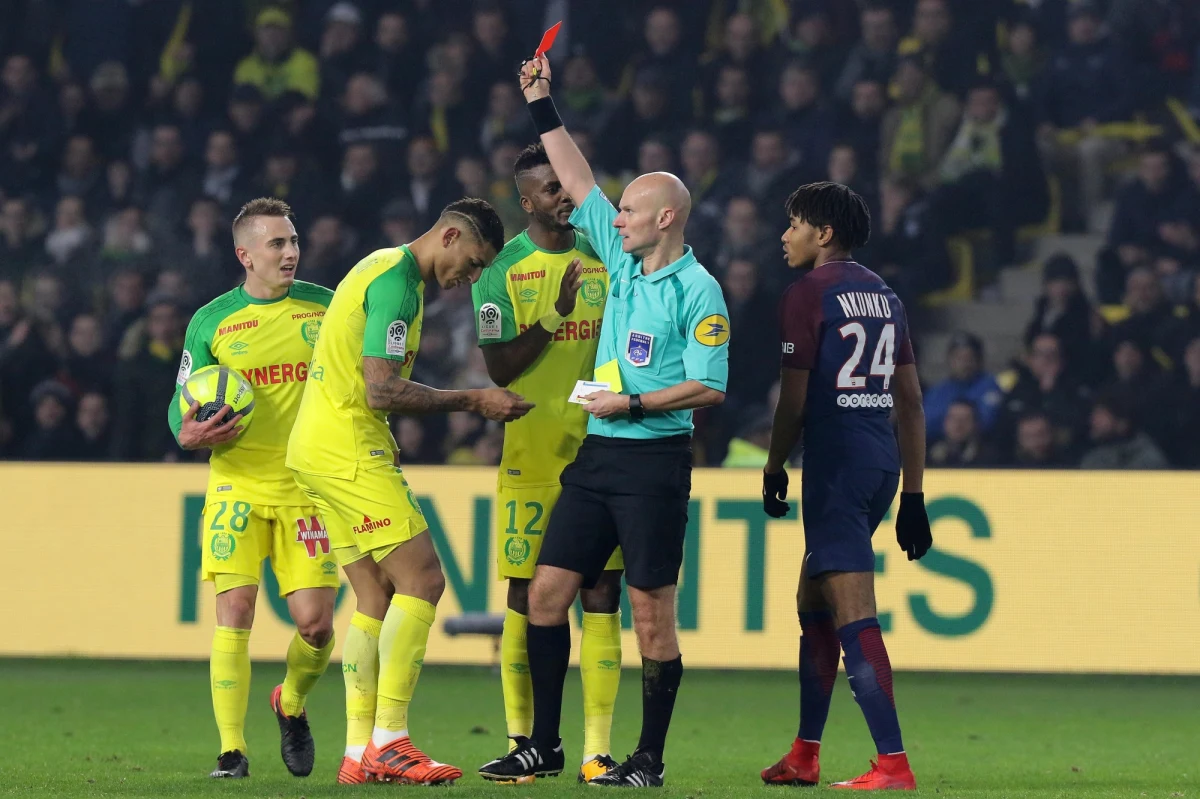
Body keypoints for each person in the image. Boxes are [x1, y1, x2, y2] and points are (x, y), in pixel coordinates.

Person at [479, 54, 730, 788]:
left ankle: (648, 758)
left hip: (654, 461)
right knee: (545, 596)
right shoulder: (620, 262)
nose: (611, 218)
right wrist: (541, 102)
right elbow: (577, 175)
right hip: (597, 457)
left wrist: (634, 404)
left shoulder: (698, 290)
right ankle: (544, 744)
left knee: (649, 615)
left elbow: (709, 387)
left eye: (627, 212)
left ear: (665, 219)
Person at [285, 197, 529, 785]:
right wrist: (474, 399)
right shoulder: (398, 285)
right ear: (449, 237)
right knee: (424, 580)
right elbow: (380, 389)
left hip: (317, 449)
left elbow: (353, 374)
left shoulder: (381, 265)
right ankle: (391, 740)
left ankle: (356, 752)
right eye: (473, 262)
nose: (471, 276)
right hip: (347, 450)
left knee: (375, 596)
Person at [761, 182, 932, 790]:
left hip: (835, 465)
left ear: (823, 233)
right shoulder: (886, 295)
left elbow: (794, 403)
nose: (785, 235)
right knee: (814, 603)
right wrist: (913, 496)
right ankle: (804, 753)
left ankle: (893, 763)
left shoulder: (807, 293)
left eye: (794, 224)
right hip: (880, 463)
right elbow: (909, 402)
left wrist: (774, 465)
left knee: (855, 614)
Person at [165, 198, 340, 780]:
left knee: (316, 626)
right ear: (245, 255)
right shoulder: (211, 321)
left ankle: (291, 701)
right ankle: (231, 751)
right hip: (236, 484)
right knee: (234, 612)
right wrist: (186, 432)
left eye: (294, 241)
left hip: (307, 489)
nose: (291, 253)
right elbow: (181, 403)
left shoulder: (326, 307)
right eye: (277, 244)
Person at [472, 142, 624, 784]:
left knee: (602, 593)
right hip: (532, 455)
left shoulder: (606, 255)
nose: (565, 197)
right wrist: (556, 314)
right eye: (551, 189)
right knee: (525, 595)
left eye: (568, 185)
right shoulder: (501, 271)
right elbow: (499, 368)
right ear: (526, 201)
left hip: (601, 450)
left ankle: (595, 751)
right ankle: (523, 741)